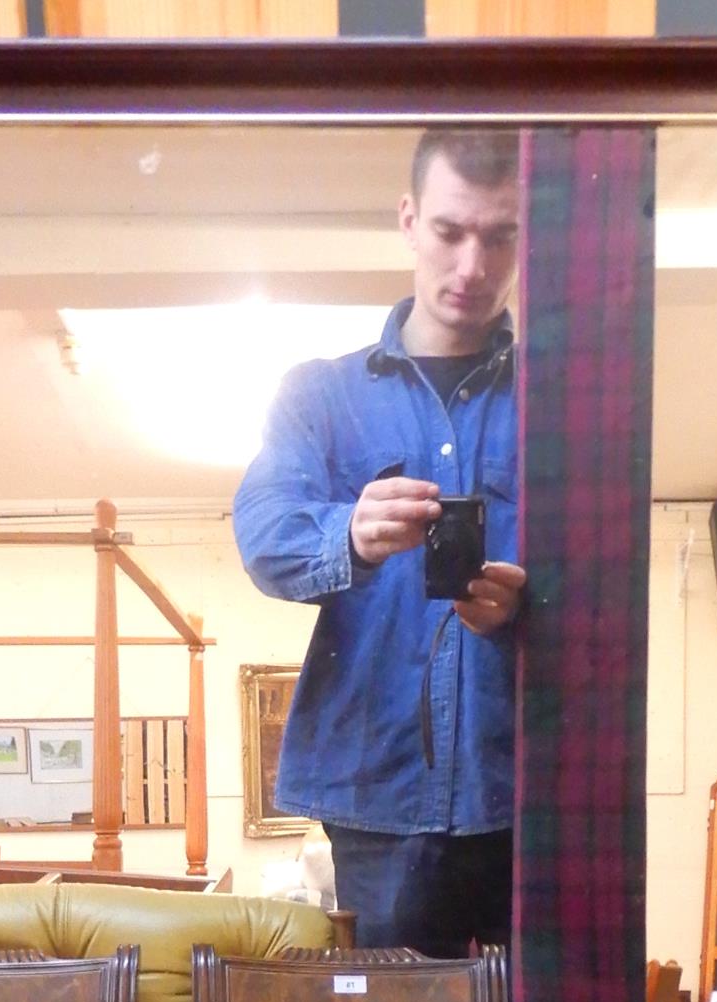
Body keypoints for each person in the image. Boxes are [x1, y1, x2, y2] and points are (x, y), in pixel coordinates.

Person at [232, 127, 526, 959]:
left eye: (500, 235)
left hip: (526, 785)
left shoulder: (561, 403)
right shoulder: (319, 396)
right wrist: (350, 535)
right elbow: (265, 536)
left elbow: (603, 587)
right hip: (375, 788)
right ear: (408, 220)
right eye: (450, 231)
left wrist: (524, 608)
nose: (472, 266)